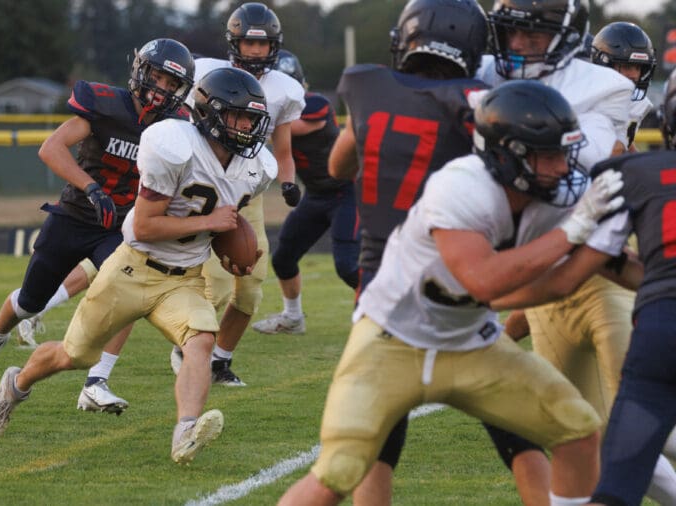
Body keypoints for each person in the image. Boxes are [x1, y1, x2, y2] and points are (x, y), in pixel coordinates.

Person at [278, 79, 629, 506]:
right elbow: (482, 280)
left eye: (564, 152)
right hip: (392, 342)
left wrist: (610, 244)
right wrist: (574, 233)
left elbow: (569, 278)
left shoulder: (552, 199)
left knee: (578, 431)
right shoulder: (462, 185)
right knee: (337, 473)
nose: (562, 168)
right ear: (508, 155)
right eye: (549, 155)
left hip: (471, 343)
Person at [0, 66, 277, 466]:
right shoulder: (173, 143)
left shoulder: (256, 167)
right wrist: (210, 223)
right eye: (237, 116)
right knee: (74, 356)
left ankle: (185, 432)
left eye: (251, 119)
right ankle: (15, 385)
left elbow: (223, 223)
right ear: (209, 113)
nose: (246, 128)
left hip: (184, 279)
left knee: (201, 341)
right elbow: (145, 225)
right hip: (132, 269)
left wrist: (232, 254)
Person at [476, 3, 676, 505]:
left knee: (645, 413)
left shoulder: (607, 99)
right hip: (556, 266)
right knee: (580, 431)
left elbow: (614, 180)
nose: (628, 76)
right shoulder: (501, 84)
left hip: (601, 266)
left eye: (636, 68)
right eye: (621, 64)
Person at [0, 39, 195, 408]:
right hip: (74, 216)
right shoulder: (105, 105)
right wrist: (91, 188)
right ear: (141, 71)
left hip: (120, 227)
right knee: (28, 301)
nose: (162, 89)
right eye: (158, 77)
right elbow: (51, 147)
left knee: (129, 294)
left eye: (171, 84)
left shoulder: (176, 125)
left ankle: (97, 381)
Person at [326, 0, 489, 502]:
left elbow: (337, 168)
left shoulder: (368, 87)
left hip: (380, 283)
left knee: (375, 433)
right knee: (519, 430)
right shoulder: (478, 101)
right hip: (454, 275)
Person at [170, 1, 306, 386]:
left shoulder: (285, 89)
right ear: (235, 43)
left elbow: (283, 150)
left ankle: (219, 361)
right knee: (216, 284)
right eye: (249, 43)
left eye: (263, 45)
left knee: (250, 289)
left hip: (248, 193)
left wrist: (288, 182)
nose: (257, 52)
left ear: (274, 46)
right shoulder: (208, 73)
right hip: (208, 187)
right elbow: (182, 125)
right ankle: (186, 346)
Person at [251, 49, 359, 336]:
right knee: (283, 257)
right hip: (315, 195)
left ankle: (388, 315)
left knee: (348, 265)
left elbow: (285, 127)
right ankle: (293, 317)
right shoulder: (270, 113)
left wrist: (242, 113)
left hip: (347, 193)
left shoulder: (316, 105)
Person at [591, 21, 657, 150]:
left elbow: (622, 144)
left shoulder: (636, 103)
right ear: (603, 64)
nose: (634, 75)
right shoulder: (582, 95)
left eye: (638, 68)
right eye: (627, 66)